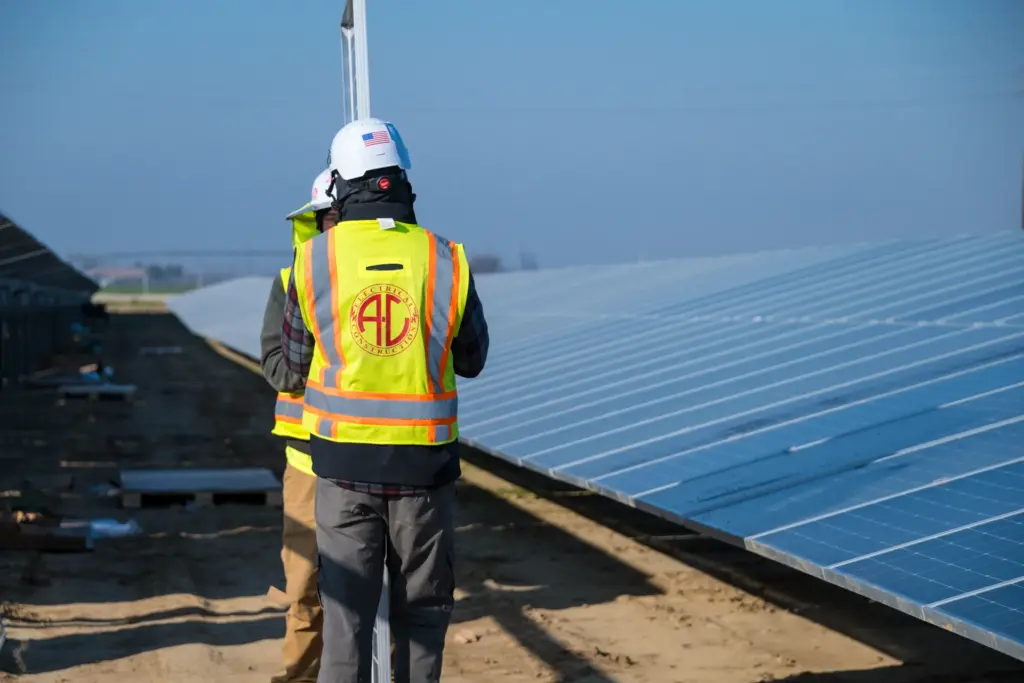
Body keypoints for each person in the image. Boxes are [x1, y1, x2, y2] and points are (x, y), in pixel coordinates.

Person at [280, 117, 489, 683]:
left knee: (346, 627)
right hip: (425, 473)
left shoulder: (314, 260)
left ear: (342, 184)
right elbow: (471, 360)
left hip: (343, 472)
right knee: (421, 625)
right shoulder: (446, 259)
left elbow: (293, 366)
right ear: (401, 181)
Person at [260, 168, 339, 683]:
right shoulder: (294, 280)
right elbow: (276, 365)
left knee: (386, 592)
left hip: (378, 459)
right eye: (327, 219)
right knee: (306, 589)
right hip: (309, 464)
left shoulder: (395, 276)